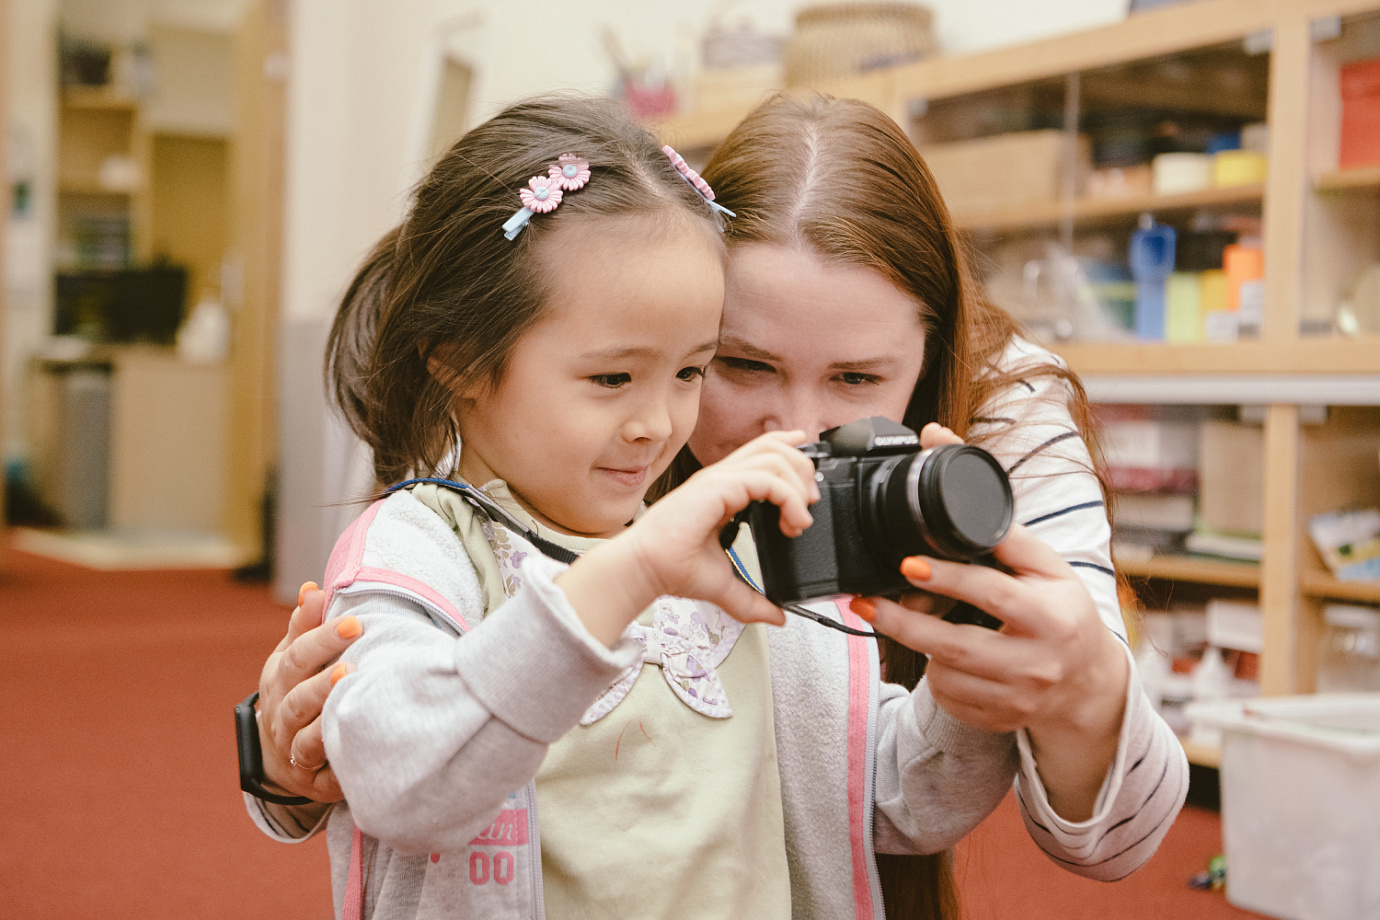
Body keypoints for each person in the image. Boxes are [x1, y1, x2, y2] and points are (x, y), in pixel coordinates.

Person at [246, 94, 1188, 920]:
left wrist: (983, 668)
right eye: (738, 365)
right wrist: (634, 569)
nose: (658, 420)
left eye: (691, 371)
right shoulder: (444, 533)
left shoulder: (763, 550)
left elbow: (892, 796)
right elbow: (396, 764)